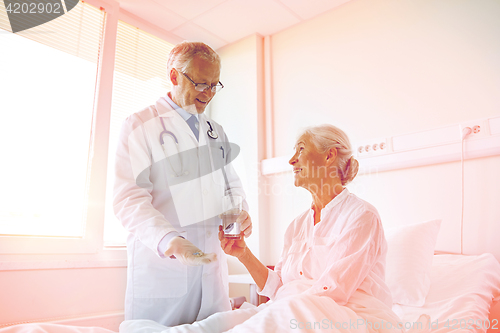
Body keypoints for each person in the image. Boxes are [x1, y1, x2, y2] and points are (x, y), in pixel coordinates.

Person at [119, 124, 408, 333]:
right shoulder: (297, 226)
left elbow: (334, 291)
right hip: (299, 306)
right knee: (223, 322)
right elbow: (278, 286)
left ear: (329, 156)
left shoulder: (361, 216)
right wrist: (242, 253)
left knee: (277, 312)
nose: (292, 160)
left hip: (351, 315)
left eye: (301, 150)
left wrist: (274, 310)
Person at [113, 41, 252, 327]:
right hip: (164, 271)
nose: (208, 93)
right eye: (201, 83)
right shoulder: (139, 124)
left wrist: (238, 214)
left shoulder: (216, 132)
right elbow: (129, 198)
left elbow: (231, 187)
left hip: (211, 275)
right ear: (174, 76)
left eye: (215, 84)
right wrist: (170, 241)